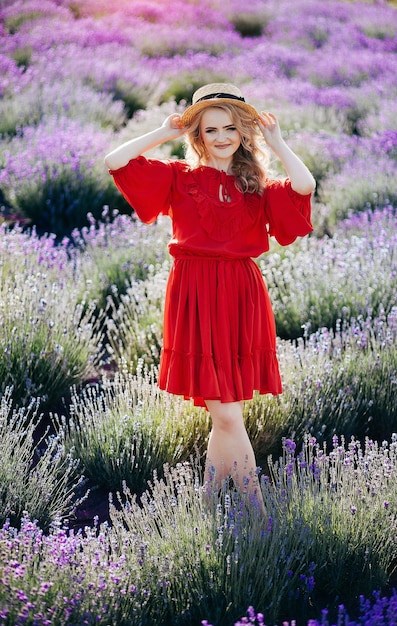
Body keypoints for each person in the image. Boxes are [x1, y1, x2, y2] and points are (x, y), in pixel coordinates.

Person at [104, 83, 315, 510]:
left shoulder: (258, 186)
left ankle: (210, 504)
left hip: (241, 295)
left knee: (226, 414)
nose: (221, 137)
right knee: (226, 414)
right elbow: (115, 161)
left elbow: (305, 185)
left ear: (242, 134)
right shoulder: (179, 178)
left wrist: (278, 142)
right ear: (197, 136)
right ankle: (257, 514)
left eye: (230, 129)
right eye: (210, 129)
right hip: (194, 295)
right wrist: (164, 133)